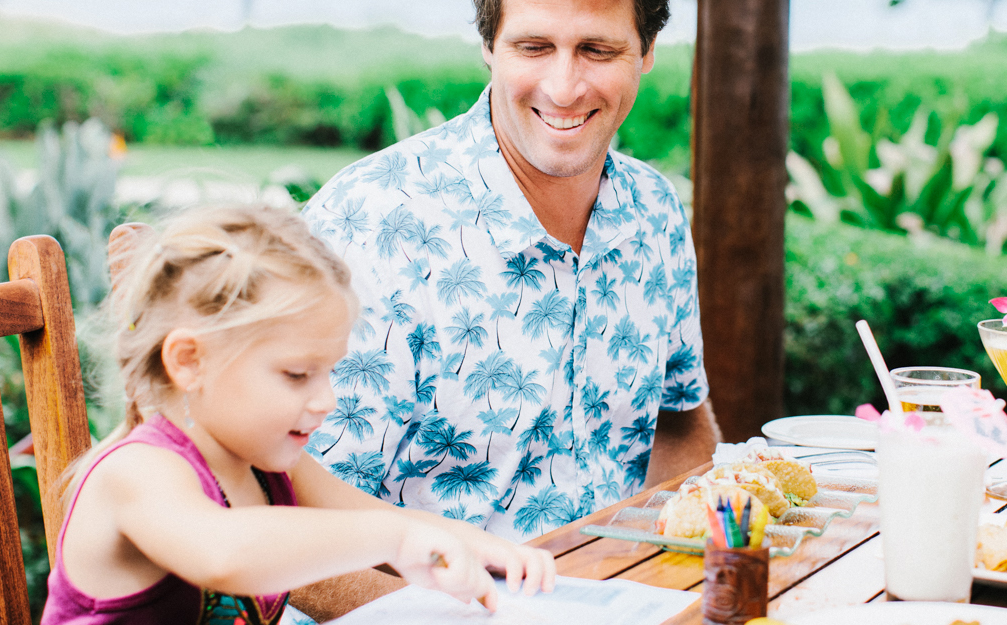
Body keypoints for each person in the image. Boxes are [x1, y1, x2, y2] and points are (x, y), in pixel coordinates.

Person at [300, 0, 715, 542]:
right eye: (534, 47)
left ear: (646, 52)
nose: (564, 88)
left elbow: (678, 420)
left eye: (597, 49)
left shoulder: (655, 210)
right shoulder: (372, 223)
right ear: (488, 47)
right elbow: (286, 508)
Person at [42, 205, 554, 624]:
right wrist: (395, 542)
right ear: (190, 361)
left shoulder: (266, 463)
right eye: (296, 375)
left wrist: (488, 548)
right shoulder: (137, 472)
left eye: (329, 372)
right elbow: (226, 554)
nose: (326, 399)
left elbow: (382, 517)